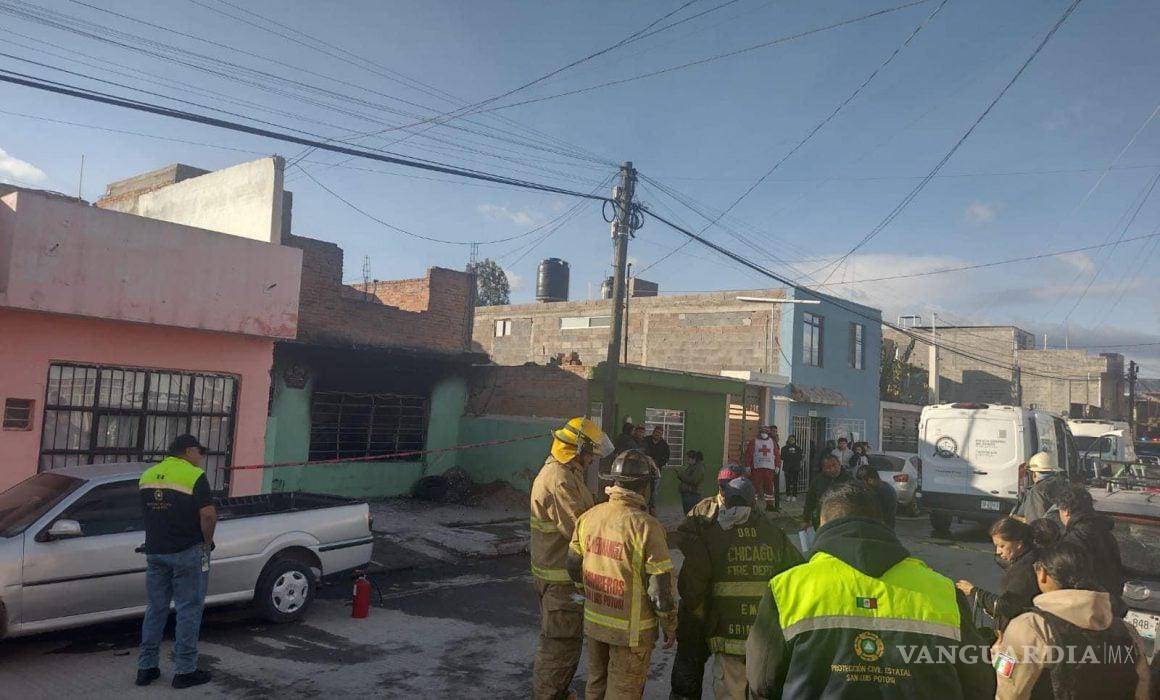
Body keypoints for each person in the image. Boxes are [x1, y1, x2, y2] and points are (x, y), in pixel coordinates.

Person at [746, 481, 994, 699]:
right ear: (881, 521)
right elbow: (980, 685)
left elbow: (762, 681)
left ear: (823, 522)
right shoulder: (944, 593)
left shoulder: (788, 589)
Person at [676, 478, 802, 699]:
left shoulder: (712, 534)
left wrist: (700, 617)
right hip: (765, 641)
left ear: (725, 501)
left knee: (731, 691)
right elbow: (798, 578)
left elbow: (692, 586)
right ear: (753, 503)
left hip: (727, 637)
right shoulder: (774, 534)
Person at [567, 449, 676, 699]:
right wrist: (670, 624)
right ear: (645, 486)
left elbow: (573, 566)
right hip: (631, 634)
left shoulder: (589, 517)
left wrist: (589, 591)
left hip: (596, 623)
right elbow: (659, 588)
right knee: (623, 692)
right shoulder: (647, 527)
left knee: (596, 685)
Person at [993, 542, 1150, 700]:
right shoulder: (1127, 632)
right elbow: (1142, 691)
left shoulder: (1032, 627)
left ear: (1043, 573)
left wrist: (999, 656)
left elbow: (1010, 694)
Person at [530, 417, 613, 700]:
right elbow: (580, 529)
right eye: (591, 453)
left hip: (563, 578)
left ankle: (558, 693)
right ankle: (548, 695)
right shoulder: (559, 479)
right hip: (559, 581)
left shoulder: (569, 472)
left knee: (566, 642)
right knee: (559, 646)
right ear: (578, 449)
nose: (592, 459)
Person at [136, 434, 217, 689]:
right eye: (199, 453)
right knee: (188, 610)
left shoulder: (147, 476)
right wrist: (207, 543)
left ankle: (146, 668)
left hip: (155, 552)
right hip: (187, 551)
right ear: (189, 451)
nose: (200, 458)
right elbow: (208, 515)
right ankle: (185, 671)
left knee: (155, 609)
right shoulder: (194, 475)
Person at [669, 462, 748, 699]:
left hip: (730, 606)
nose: (726, 490)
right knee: (689, 664)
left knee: (734, 672)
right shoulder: (704, 508)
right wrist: (703, 551)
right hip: (698, 601)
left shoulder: (750, 511)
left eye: (731, 485)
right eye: (723, 486)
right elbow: (682, 535)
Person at [955, 517, 1060, 633]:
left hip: (1022, 631)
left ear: (1019, 544)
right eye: (996, 546)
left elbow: (1006, 606)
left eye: (1002, 546)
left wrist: (974, 592)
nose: (998, 551)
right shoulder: (1026, 559)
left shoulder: (1025, 569)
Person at [1056, 484, 1128, 617]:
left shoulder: (1074, 539)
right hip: (1108, 603)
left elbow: (1073, 578)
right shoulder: (1105, 532)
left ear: (1065, 511)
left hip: (1087, 606)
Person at [1015, 451, 1069, 523]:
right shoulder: (1064, 485)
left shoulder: (1037, 491)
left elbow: (1036, 522)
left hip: (1046, 529)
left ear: (1034, 474)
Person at [801, 455, 853, 530]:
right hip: (823, 520)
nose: (832, 469)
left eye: (834, 465)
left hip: (843, 521)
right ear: (823, 469)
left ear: (839, 464)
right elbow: (810, 501)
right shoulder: (818, 481)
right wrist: (806, 520)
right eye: (828, 467)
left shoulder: (849, 480)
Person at [744, 426, 780, 511]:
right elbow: (748, 454)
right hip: (757, 468)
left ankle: (770, 505)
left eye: (765, 432)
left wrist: (777, 466)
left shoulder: (772, 442)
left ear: (768, 433)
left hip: (769, 469)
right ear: (759, 433)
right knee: (754, 487)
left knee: (769, 487)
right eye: (762, 432)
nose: (764, 434)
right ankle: (752, 505)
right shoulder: (754, 441)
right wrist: (747, 466)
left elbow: (777, 455)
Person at [857, 465, 897, 530]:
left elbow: (882, 516)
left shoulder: (883, 492)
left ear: (871, 479)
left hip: (882, 529)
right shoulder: (885, 487)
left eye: (864, 481)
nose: (864, 485)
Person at [644, 426, 670, 513]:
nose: (657, 434)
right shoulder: (646, 440)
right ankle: (641, 506)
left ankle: (652, 508)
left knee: (654, 491)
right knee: (643, 488)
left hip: (656, 470)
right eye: (656, 432)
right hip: (644, 469)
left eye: (659, 433)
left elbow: (666, 458)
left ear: (661, 434)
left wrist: (657, 465)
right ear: (653, 432)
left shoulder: (664, 445)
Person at [675, 450, 706, 515]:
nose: (687, 461)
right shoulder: (692, 467)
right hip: (688, 494)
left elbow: (693, 480)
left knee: (691, 514)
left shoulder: (699, 468)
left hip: (693, 495)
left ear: (693, 459)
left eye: (688, 459)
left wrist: (681, 474)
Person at [780, 435, 803, 501]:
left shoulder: (798, 448)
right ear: (788, 440)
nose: (791, 440)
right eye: (790, 439)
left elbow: (800, 457)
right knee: (787, 482)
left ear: (795, 440)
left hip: (795, 467)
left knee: (795, 482)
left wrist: (791, 456)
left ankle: (794, 495)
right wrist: (791, 456)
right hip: (787, 468)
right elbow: (782, 457)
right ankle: (788, 495)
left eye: (793, 439)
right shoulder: (784, 448)